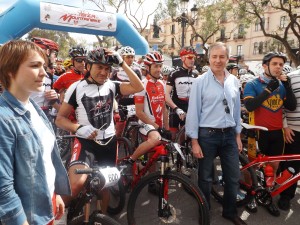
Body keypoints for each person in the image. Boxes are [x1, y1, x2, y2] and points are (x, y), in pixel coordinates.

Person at [55, 47, 143, 213]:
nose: (103, 72)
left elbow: (138, 86)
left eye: (107, 69)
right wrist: (78, 127)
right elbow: (60, 119)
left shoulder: (112, 85)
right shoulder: (76, 87)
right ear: (88, 67)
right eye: (99, 67)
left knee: (104, 187)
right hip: (85, 142)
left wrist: (122, 63)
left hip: (108, 142)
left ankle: (100, 219)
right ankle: (55, 216)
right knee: (76, 185)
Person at [0, 40, 70, 225]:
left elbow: (44, 161)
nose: (44, 73)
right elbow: (2, 187)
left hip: (44, 208)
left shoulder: (32, 106)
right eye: (34, 66)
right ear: (10, 70)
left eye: (44, 66)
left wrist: (54, 194)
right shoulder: (3, 118)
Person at [186, 42, 245, 225]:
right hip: (207, 136)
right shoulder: (200, 82)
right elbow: (193, 112)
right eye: (214, 56)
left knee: (233, 176)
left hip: (229, 136)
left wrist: (237, 134)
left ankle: (230, 211)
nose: (218, 60)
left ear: (227, 59)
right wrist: (194, 141)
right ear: (209, 58)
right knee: (205, 177)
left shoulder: (234, 81)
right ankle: (205, 212)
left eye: (222, 57)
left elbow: (236, 111)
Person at [243, 52, 297, 216]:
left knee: (272, 169)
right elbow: (250, 106)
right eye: (275, 64)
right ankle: (249, 195)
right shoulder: (252, 84)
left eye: (281, 64)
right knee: (251, 167)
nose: (278, 67)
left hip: (277, 133)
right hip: (257, 133)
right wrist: (267, 90)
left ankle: (267, 197)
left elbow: (292, 106)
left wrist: (286, 86)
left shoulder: (281, 85)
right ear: (265, 65)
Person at [124, 51, 170, 194]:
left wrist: (166, 128)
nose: (158, 69)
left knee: (154, 156)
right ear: (148, 67)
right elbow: (139, 112)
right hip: (144, 123)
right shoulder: (142, 86)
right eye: (155, 66)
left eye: (160, 66)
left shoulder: (162, 84)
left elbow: (163, 109)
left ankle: (151, 181)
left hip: (158, 124)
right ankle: (131, 160)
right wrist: (156, 126)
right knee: (155, 139)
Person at [277, 67, 300, 211]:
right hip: (294, 130)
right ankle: (286, 195)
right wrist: (285, 126)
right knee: (292, 165)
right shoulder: (290, 77)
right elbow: (280, 105)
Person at [165, 46, 198, 140]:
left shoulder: (195, 75)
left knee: (185, 137)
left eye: (194, 58)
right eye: (190, 57)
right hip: (176, 107)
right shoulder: (174, 73)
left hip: (189, 108)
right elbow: (166, 94)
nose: (192, 60)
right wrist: (176, 108)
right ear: (183, 58)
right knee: (173, 136)